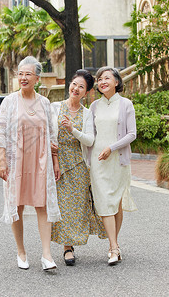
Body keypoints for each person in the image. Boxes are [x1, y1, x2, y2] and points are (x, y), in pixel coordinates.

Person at [0, 56, 61, 271]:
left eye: (27, 74)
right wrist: (2, 161)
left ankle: (47, 255)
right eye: (20, 73)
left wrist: (55, 162)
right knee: (17, 205)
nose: (23, 77)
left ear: (37, 78)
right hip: (16, 160)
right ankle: (21, 251)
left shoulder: (45, 103)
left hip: (40, 161)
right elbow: (1, 130)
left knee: (42, 205)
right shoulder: (10, 102)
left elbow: (52, 135)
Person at [50, 69, 107, 266]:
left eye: (81, 87)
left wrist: (72, 129)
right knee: (62, 207)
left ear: (86, 92)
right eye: (74, 84)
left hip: (79, 165)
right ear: (69, 84)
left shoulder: (86, 113)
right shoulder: (55, 107)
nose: (76, 88)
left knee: (76, 207)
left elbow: (90, 140)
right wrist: (54, 158)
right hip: (58, 164)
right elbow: (48, 134)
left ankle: (72, 243)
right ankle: (67, 248)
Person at [88, 66, 137, 265]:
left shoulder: (126, 104)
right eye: (99, 79)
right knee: (105, 203)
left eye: (107, 78)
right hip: (98, 161)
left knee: (116, 204)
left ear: (117, 82)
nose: (102, 81)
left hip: (118, 160)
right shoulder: (93, 106)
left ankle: (112, 246)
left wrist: (111, 148)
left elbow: (131, 134)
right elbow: (90, 136)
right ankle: (115, 247)